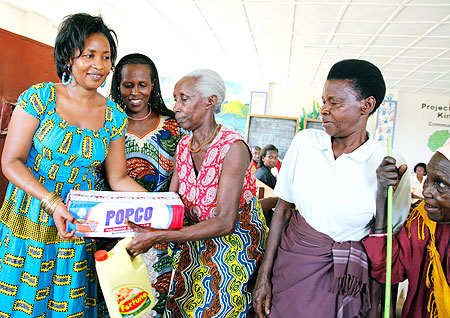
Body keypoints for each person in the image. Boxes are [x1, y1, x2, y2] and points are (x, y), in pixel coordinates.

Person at [0, 13, 147, 317]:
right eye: (89, 55)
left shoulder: (113, 116)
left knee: (68, 306)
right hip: (31, 217)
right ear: (68, 57)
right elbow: (11, 161)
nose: (100, 65)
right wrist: (52, 203)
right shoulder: (40, 98)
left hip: (78, 223)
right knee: (20, 304)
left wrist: (160, 205)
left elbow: (118, 178)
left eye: (106, 57)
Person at [253, 59, 411, 318]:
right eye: (324, 101)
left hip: (344, 281)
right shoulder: (305, 143)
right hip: (291, 267)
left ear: (367, 105)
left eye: (334, 103)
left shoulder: (387, 164)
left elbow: (386, 241)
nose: (324, 110)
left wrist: (384, 191)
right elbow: (281, 211)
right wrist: (264, 276)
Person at [125, 69, 267, 317]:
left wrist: (159, 237)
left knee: (217, 308)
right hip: (191, 243)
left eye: (184, 99)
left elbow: (225, 222)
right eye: (175, 99)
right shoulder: (183, 145)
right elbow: (173, 204)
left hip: (231, 247)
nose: (176, 107)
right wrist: (134, 227)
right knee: (180, 304)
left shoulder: (233, 147)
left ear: (210, 101)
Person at [95, 53, 185, 318]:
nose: (135, 92)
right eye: (127, 85)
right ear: (117, 86)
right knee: (115, 303)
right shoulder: (105, 122)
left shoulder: (175, 127)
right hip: (112, 232)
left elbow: (181, 182)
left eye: (142, 85)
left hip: (159, 233)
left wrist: (164, 221)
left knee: (151, 305)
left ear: (153, 84)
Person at [363, 140, 450, 318]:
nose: (426, 192)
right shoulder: (423, 221)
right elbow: (389, 269)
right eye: (428, 180)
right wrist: (382, 197)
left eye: (441, 184)